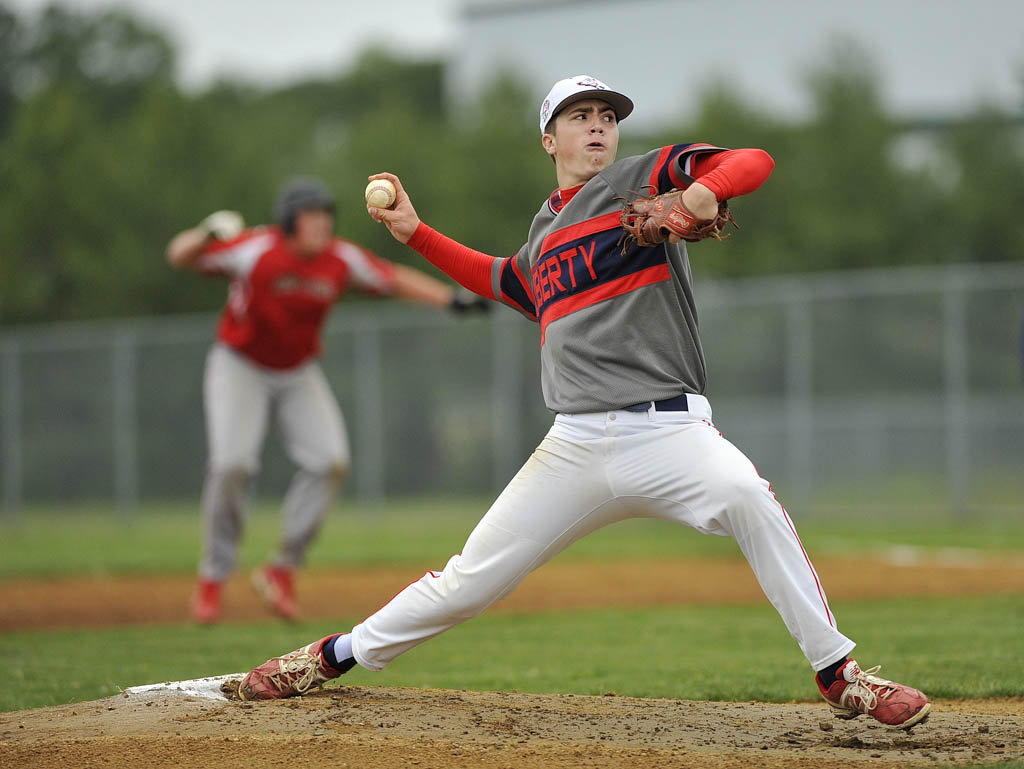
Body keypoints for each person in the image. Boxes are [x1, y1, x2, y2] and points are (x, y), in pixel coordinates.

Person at [237, 77, 931, 729]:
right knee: (468, 582)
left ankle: (840, 673)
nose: (598, 127)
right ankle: (325, 658)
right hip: (573, 445)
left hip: (670, 432)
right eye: (580, 117)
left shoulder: (641, 179)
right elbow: (500, 278)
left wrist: (693, 197)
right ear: (549, 140)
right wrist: (414, 233)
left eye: (607, 118)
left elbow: (752, 160)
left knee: (749, 496)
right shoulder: (544, 234)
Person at [166, 176, 485, 624]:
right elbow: (178, 256)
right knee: (232, 464)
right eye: (311, 216)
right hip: (240, 364)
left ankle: (281, 570)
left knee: (329, 460)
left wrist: (451, 300)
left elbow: (392, 278)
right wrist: (205, 233)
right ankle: (213, 579)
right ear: (289, 221)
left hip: (296, 370)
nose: (322, 224)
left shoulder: (339, 259)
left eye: (325, 215)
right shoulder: (256, 249)